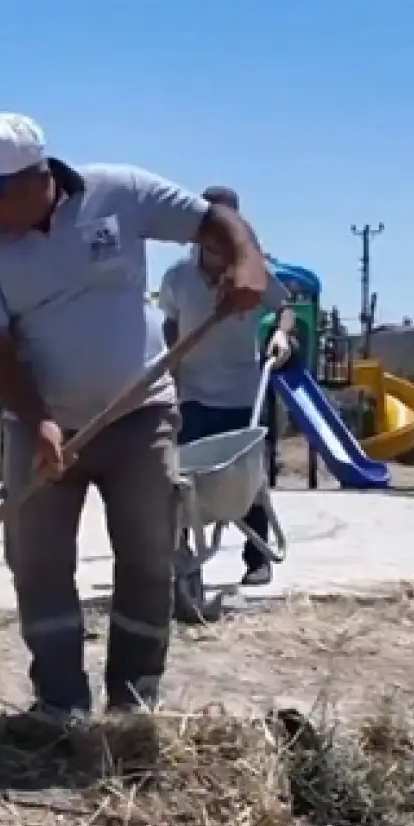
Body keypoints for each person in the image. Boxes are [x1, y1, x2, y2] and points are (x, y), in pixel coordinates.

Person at [0, 112, 269, 723]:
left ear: (35, 180)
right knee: (37, 562)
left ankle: (135, 698)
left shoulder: (120, 192)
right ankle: (60, 699)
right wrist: (38, 418)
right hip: (38, 424)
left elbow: (213, 220)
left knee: (149, 555)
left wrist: (246, 258)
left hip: (140, 415)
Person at [159, 186, 296, 585]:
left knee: (248, 481)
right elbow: (169, 321)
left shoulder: (254, 270)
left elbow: (284, 308)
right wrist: (172, 361)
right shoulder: (178, 277)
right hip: (194, 395)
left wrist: (281, 334)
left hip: (243, 391)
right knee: (184, 485)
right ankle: (186, 563)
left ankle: (257, 558)